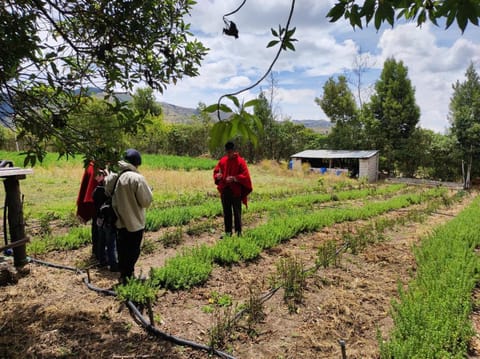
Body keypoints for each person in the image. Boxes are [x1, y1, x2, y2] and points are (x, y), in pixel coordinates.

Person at [105, 149, 152, 284]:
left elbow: (108, 192)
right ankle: (128, 277)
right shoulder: (137, 178)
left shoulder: (114, 175)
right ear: (137, 163)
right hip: (135, 222)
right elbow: (146, 201)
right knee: (133, 251)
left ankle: (124, 276)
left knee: (122, 249)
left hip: (119, 221)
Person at [213, 141, 252, 237]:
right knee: (226, 212)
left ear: (234, 151)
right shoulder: (223, 160)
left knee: (237, 213)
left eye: (230, 152)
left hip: (236, 191)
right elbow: (216, 171)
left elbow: (245, 176)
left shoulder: (241, 161)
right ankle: (228, 233)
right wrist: (217, 176)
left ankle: (238, 233)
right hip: (225, 190)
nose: (228, 154)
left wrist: (235, 178)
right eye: (227, 152)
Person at [92, 168, 119, 272]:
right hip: (108, 220)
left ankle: (102, 261)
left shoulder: (96, 191)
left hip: (99, 220)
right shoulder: (108, 192)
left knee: (101, 241)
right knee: (111, 244)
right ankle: (113, 265)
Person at [76, 161, 103, 262]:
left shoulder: (92, 165)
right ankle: (100, 255)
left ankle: (97, 254)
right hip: (99, 205)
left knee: (97, 228)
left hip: (97, 204)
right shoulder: (96, 167)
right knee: (100, 230)